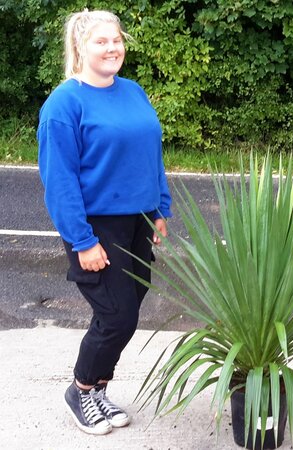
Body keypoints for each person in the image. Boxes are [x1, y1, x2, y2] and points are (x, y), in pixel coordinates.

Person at [37, 10, 172, 435]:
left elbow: (151, 155)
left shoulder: (133, 92)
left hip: (138, 220)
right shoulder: (64, 104)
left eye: (116, 40)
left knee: (126, 310)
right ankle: (80, 389)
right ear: (81, 48)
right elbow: (59, 180)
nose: (112, 48)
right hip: (96, 226)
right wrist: (81, 240)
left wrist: (160, 209)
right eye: (101, 42)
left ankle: (98, 389)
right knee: (117, 316)